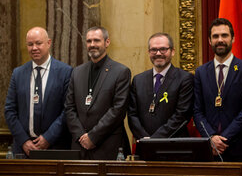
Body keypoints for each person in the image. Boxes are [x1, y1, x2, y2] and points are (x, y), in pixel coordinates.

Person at [193, 18, 242, 162]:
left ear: (233, 38)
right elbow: (197, 111)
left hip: (240, 147)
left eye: (224, 35)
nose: (220, 40)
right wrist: (211, 137)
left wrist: (223, 140)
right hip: (209, 148)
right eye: (215, 36)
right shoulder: (201, 72)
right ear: (209, 41)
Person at [65, 26, 131, 160]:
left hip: (107, 146)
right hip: (79, 146)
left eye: (96, 40)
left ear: (107, 42)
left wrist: (93, 137)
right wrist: (80, 135)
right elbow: (69, 107)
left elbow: (118, 110)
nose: (92, 45)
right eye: (89, 41)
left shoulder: (121, 72)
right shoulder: (77, 72)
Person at [4, 27, 72, 156]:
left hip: (55, 147)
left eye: (38, 43)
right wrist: (24, 141)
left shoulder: (65, 72)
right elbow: (9, 110)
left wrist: (48, 138)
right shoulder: (18, 74)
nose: (34, 48)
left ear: (49, 43)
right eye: (30, 44)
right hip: (23, 150)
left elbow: (68, 110)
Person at [128, 33, 193, 139]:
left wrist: (155, 140)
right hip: (144, 145)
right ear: (149, 52)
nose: (158, 53)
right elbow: (132, 115)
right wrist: (143, 138)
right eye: (153, 50)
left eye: (163, 49)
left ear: (172, 51)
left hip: (173, 145)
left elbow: (181, 115)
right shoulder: (138, 80)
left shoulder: (185, 79)